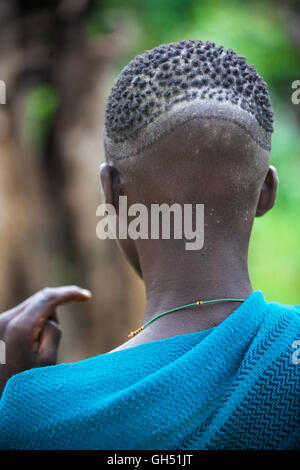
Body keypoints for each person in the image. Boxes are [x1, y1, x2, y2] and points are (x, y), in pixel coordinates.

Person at [0, 40, 299, 450]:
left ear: (112, 193)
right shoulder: (290, 353)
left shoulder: (35, 418)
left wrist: (11, 393)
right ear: (267, 192)